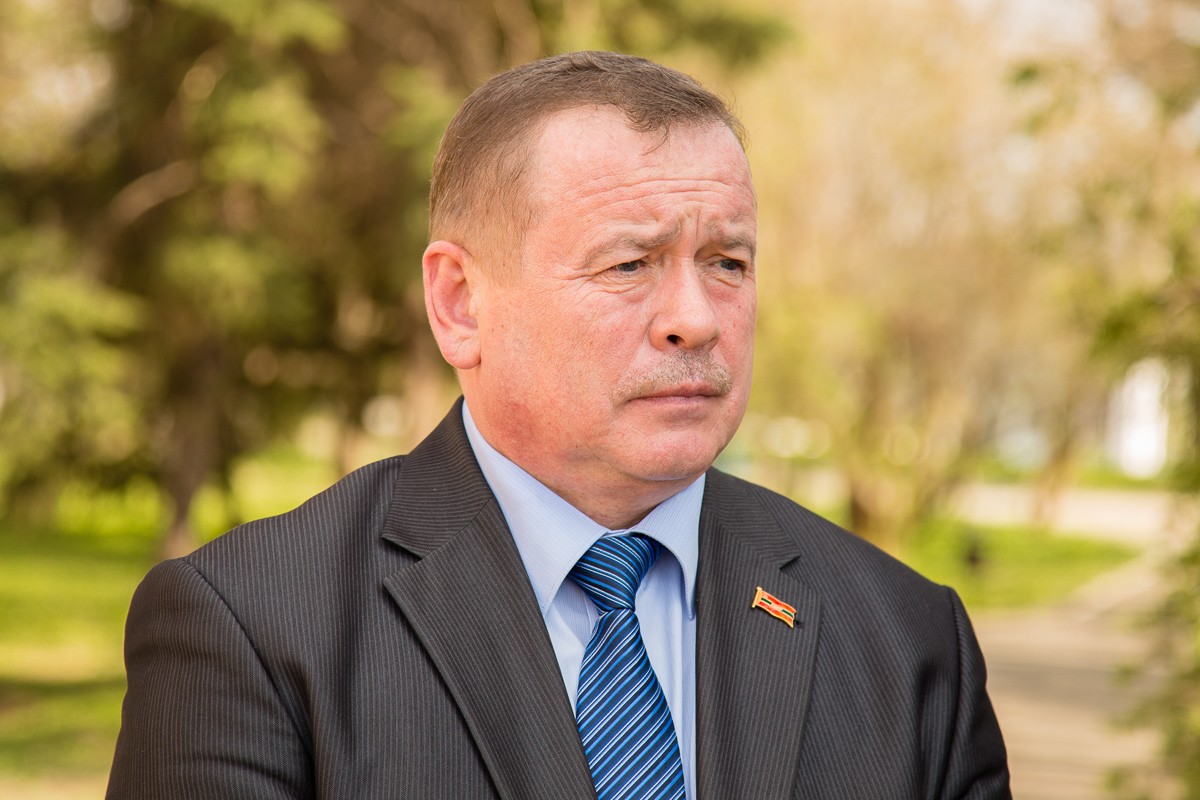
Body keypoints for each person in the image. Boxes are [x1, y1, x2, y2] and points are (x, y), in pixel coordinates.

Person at [107, 51, 1010, 799]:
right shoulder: (254, 633)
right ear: (460, 304)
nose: (695, 318)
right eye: (629, 263)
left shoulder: (908, 639)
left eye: (727, 262)